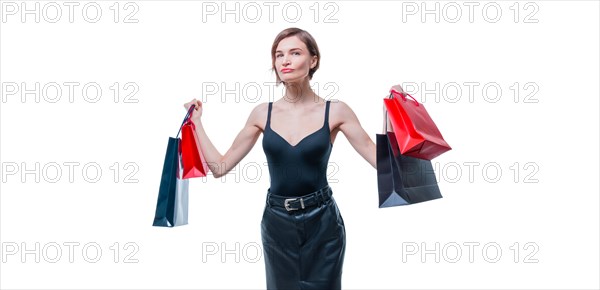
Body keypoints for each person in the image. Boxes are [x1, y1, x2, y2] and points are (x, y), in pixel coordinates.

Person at [184, 27, 404, 289]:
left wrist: (390, 116)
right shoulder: (261, 113)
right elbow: (219, 167)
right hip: (277, 225)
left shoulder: (336, 111)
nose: (285, 60)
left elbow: (383, 163)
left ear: (313, 61)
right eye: (279, 55)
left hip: (323, 225)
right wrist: (196, 123)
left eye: (295, 52)